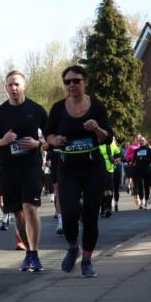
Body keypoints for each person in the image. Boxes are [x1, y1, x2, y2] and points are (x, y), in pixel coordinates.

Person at [45, 65, 113, 278]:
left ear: (85, 82)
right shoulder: (58, 108)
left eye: (76, 81)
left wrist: (97, 129)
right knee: (70, 213)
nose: (72, 85)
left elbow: (108, 137)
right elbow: (48, 136)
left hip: (93, 166)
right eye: (67, 82)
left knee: (91, 215)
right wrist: (55, 140)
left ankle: (86, 259)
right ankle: (73, 246)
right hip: (67, 167)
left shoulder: (97, 106)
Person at [0, 70, 48, 273]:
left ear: (24, 86)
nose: (13, 88)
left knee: (30, 208)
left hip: (31, 167)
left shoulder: (36, 110)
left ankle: (35, 254)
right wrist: (2, 141)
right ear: (5, 88)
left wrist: (37, 143)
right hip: (9, 169)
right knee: (19, 213)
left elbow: (50, 140)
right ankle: (28, 252)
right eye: (10, 85)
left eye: (17, 84)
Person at [132, 135, 151, 210]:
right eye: (140, 141)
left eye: (143, 140)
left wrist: (143, 159)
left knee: (146, 186)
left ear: (145, 142)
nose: (141, 142)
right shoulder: (136, 151)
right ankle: (141, 203)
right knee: (140, 186)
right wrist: (132, 163)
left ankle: (146, 202)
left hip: (147, 171)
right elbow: (133, 161)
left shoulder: (149, 150)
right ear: (138, 142)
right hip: (138, 171)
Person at [99, 138, 122, 217]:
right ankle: (102, 208)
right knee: (102, 190)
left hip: (110, 170)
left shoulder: (112, 144)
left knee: (109, 189)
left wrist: (117, 160)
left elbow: (118, 153)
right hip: (99, 170)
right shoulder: (96, 144)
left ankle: (108, 208)